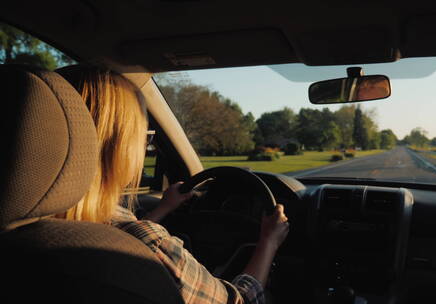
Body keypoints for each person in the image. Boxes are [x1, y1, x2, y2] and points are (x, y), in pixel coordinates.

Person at [55, 65, 289, 304]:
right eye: (144, 137)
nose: (145, 147)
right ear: (117, 145)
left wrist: (163, 208)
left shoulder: (31, 225)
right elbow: (241, 301)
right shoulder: (151, 244)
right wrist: (268, 242)